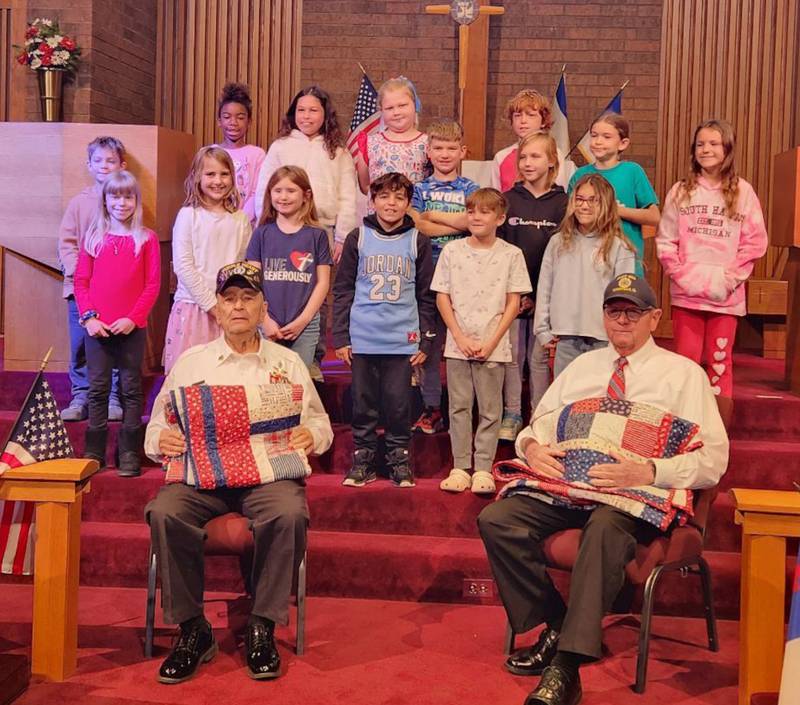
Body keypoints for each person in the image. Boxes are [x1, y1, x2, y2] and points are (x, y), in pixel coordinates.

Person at [478, 273, 729, 705]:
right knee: (498, 519)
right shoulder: (583, 367)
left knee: (605, 527)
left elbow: (714, 461)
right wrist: (532, 447)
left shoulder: (684, 376)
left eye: (633, 313)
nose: (623, 322)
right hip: (569, 490)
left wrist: (647, 470)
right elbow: (536, 425)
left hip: (635, 500)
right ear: (603, 318)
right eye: (614, 312)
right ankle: (556, 622)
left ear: (655, 318)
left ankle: (567, 666)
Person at [144, 261, 333, 684]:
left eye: (248, 297)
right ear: (217, 308)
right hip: (202, 478)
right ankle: (193, 628)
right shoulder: (192, 363)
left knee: (288, 513)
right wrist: (161, 441)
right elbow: (157, 424)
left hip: (267, 477)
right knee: (165, 511)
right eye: (229, 299)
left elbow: (320, 424)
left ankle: (261, 624)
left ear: (263, 305)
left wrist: (311, 435)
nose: (238, 306)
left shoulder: (286, 363)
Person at [332, 172, 436, 488]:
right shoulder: (357, 237)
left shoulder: (418, 240)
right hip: (364, 336)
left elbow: (426, 295)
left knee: (398, 402)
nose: (391, 203)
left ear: (408, 203)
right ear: (373, 200)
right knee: (363, 402)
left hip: (401, 338)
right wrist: (341, 335)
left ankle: (398, 458)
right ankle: (363, 456)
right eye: (385, 197)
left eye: (399, 197)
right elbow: (343, 290)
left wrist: (425, 339)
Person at [656, 118, 768, 398]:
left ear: (727, 148)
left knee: (719, 363)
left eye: (713, 143)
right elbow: (666, 239)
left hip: (725, 298)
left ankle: (718, 435)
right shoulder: (681, 191)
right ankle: (687, 431)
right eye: (700, 144)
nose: (706, 149)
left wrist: (728, 279)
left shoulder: (744, 191)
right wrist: (682, 276)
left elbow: (754, 242)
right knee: (686, 363)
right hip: (687, 295)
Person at [432, 188, 531, 495]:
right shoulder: (453, 251)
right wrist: (459, 337)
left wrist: (491, 342)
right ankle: (461, 466)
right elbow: (442, 296)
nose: (476, 217)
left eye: (484, 212)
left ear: (499, 218)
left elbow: (514, 302)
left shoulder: (511, 254)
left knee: (490, 409)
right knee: (459, 407)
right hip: (458, 344)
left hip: (494, 344)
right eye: (471, 211)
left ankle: (484, 468)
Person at [74, 171, 161, 477]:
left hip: (130, 328)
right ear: (105, 200)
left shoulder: (146, 239)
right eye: (115, 196)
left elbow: (152, 286)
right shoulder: (93, 237)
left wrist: (133, 319)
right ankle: (94, 451)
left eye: (128, 196)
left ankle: (128, 453)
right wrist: (90, 318)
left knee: (131, 389)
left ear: (136, 201)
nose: (121, 203)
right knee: (97, 390)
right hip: (97, 328)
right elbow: (81, 282)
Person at [408, 119, 479, 436]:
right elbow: (418, 227)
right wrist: (456, 222)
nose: (445, 154)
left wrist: (433, 215)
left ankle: (462, 408)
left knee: (463, 344)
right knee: (431, 346)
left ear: (462, 151)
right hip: (427, 273)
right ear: (429, 151)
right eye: (438, 148)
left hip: (464, 275)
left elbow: (474, 222)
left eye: (452, 148)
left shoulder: (471, 189)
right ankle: (432, 407)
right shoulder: (419, 189)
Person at [498, 133, 568, 441]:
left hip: (547, 296)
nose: (528, 163)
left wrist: (542, 298)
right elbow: (498, 249)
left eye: (535, 157)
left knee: (538, 359)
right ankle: (512, 413)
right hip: (512, 294)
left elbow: (564, 253)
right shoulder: (508, 200)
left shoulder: (563, 203)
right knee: (512, 356)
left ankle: (539, 414)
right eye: (523, 157)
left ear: (552, 161)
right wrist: (517, 294)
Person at [534, 174, 636, 378]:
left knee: (596, 398)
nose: (584, 206)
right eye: (579, 199)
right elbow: (545, 288)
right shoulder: (557, 243)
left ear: (606, 204)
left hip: (603, 338)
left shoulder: (619, 247)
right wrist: (543, 330)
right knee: (566, 399)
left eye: (593, 200)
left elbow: (624, 299)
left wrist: (620, 333)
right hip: (565, 338)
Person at [163, 146, 252, 373]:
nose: (218, 181)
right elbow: (183, 266)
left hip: (228, 309)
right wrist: (212, 306)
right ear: (197, 177)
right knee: (191, 378)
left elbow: (242, 266)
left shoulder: (240, 219)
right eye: (210, 174)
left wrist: (229, 305)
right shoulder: (188, 215)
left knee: (226, 376)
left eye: (224, 174)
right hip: (194, 308)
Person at [57, 136, 126, 422]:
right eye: (98, 160)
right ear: (89, 164)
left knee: (113, 343)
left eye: (111, 161)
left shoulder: (125, 200)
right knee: (81, 345)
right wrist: (82, 275)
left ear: (122, 165)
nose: (104, 166)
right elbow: (66, 243)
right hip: (80, 290)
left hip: (115, 292)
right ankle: (81, 395)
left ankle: (111, 395)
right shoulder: (79, 203)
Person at [253, 85, 357, 263]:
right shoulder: (280, 146)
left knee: (319, 283)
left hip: (322, 229)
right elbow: (264, 187)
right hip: (282, 227)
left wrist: (342, 236)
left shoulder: (338, 151)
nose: (306, 116)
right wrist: (264, 223)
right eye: (301, 110)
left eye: (313, 110)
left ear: (325, 114)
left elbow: (347, 196)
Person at [246, 165, 332, 368]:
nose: (283, 197)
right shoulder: (261, 234)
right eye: (278, 190)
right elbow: (252, 282)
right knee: (267, 383)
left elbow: (323, 283)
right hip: (267, 323)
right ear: (270, 194)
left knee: (298, 385)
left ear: (306, 195)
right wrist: (264, 320)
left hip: (305, 324)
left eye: (291, 190)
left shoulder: (317, 235)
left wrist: (303, 320)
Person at [568, 113, 660, 275]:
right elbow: (569, 216)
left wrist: (618, 210)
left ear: (623, 143)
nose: (598, 141)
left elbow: (654, 217)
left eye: (606, 137)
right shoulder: (579, 175)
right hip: (588, 264)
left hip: (626, 265)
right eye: (594, 135)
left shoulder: (632, 171)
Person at [491, 89, 575, 193]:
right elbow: (494, 198)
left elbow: (558, 192)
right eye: (517, 115)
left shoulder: (555, 154)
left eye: (530, 115)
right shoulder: (501, 157)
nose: (523, 121)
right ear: (511, 121)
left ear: (543, 121)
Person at [355, 76, 428, 193]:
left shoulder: (428, 143)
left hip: (416, 210)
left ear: (415, 105)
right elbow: (365, 186)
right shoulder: (369, 143)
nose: (396, 112)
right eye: (389, 108)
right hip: (379, 210)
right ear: (381, 110)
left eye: (402, 105)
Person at [213, 82, 266, 225]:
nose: (233, 122)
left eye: (240, 117)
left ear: (249, 121)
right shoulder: (209, 153)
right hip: (214, 224)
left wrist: (240, 220)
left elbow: (258, 193)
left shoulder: (258, 155)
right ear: (219, 121)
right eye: (227, 116)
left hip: (246, 226)